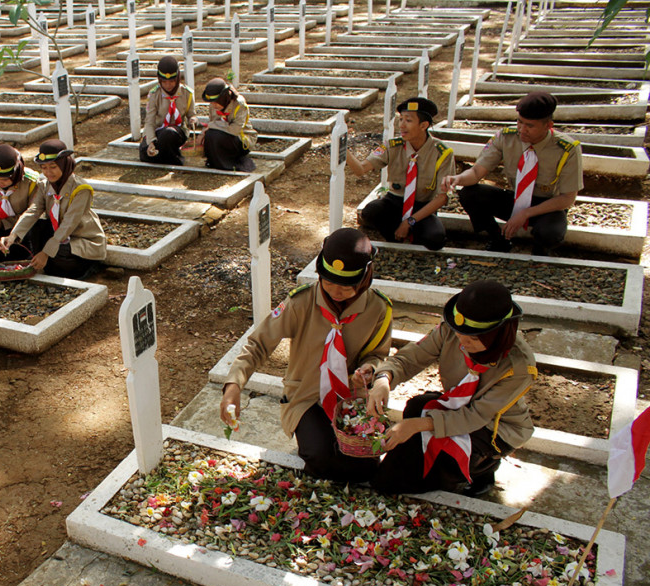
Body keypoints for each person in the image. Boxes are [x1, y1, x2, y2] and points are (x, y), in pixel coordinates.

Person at [220, 228, 393, 483]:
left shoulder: (379, 309)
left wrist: (369, 371)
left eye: (346, 287)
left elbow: (377, 354)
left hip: (351, 398)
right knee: (320, 455)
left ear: (365, 279)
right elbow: (259, 343)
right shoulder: (301, 303)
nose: (335, 291)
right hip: (306, 396)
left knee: (365, 467)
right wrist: (234, 385)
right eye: (329, 281)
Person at [366, 280, 537, 497]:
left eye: (473, 339)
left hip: (492, 427)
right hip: (457, 406)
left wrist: (417, 425)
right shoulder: (452, 331)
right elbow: (411, 358)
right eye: (459, 334)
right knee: (388, 476)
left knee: (437, 468)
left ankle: (483, 466)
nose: (462, 344)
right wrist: (384, 378)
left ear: (497, 335)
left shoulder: (519, 366)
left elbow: (476, 416)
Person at [440, 92, 583, 256]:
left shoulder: (567, 149)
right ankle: (498, 239)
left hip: (547, 205)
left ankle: (540, 251)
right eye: (519, 122)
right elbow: (477, 171)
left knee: (551, 232)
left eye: (530, 126)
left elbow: (567, 198)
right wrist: (457, 179)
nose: (522, 129)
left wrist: (526, 213)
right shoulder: (506, 137)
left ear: (548, 125)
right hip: (515, 199)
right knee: (470, 193)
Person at [346, 97, 454, 251]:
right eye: (400, 119)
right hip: (395, 202)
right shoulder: (393, 146)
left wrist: (409, 222)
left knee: (436, 239)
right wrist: (343, 150)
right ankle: (394, 238)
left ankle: (410, 235)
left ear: (424, 125)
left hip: (421, 207)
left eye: (408, 121)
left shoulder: (442, 153)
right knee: (371, 211)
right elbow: (360, 169)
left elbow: (442, 198)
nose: (402, 125)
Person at [0, 140, 107, 280]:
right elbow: (33, 211)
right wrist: (12, 236)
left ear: (64, 164)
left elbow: (69, 223)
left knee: (59, 251)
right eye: (43, 167)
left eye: (53, 167)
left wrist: (46, 252)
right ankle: (52, 267)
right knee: (36, 229)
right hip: (60, 236)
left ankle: (87, 267)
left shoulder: (81, 189)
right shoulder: (44, 186)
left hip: (81, 238)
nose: (48, 172)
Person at [139, 56, 197, 166]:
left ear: (178, 78)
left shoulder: (187, 94)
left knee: (169, 134)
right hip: (159, 132)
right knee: (145, 150)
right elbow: (150, 122)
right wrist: (151, 141)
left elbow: (191, 115)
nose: (168, 85)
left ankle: (173, 158)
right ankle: (163, 155)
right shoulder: (154, 95)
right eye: (164, 82)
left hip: (177, 133)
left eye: (171, 81)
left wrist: (193, 119)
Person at [200, 78, 257, 172]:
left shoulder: (239, 104)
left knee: (214, 134)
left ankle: (229, 163)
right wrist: (202, 135)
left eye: (217, 101)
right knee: (210, 135)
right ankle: (216, 162)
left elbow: (235, 130)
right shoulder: (213, 105)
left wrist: (211, 125)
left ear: (224, 96)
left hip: (241, 138)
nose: (214, 105)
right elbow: (213, 121)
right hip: (224, 135)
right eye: (212, 102)